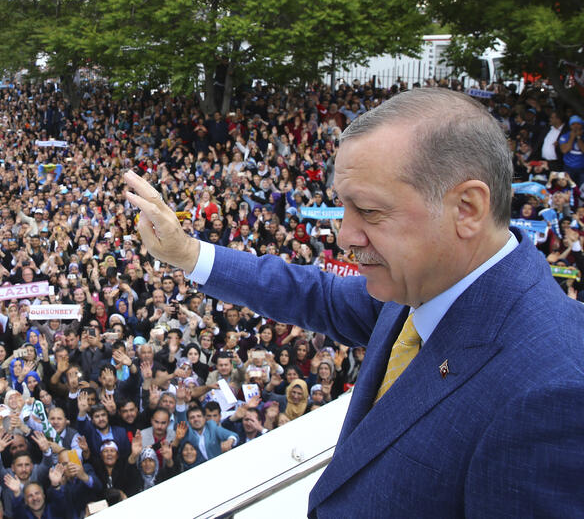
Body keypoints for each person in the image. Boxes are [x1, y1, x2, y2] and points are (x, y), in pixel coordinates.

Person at [124, 88, 584, 516]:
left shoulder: (551, 395)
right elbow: (314, 294)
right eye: (344, 207)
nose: (344, 235)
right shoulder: (421, 283)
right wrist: (188, 253)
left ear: (467, 209)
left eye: (369, 211)